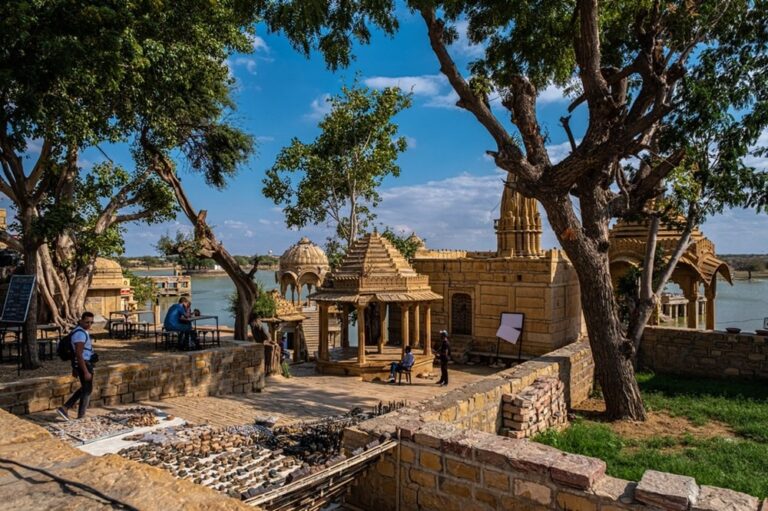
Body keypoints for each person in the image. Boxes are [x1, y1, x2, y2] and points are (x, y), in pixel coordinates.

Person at [57, 312, 96, 420]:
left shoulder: (81, 331)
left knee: (86, 388)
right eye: (87, 322)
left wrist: (75, 368)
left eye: (91, 322)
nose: (89, 324)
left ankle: (67, 409)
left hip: (82, 363)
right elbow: (78, 354)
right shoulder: (80, 334)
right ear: (81, 321)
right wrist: (85, 371)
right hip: (84, 364)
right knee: (87, 390)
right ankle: (75, 413)